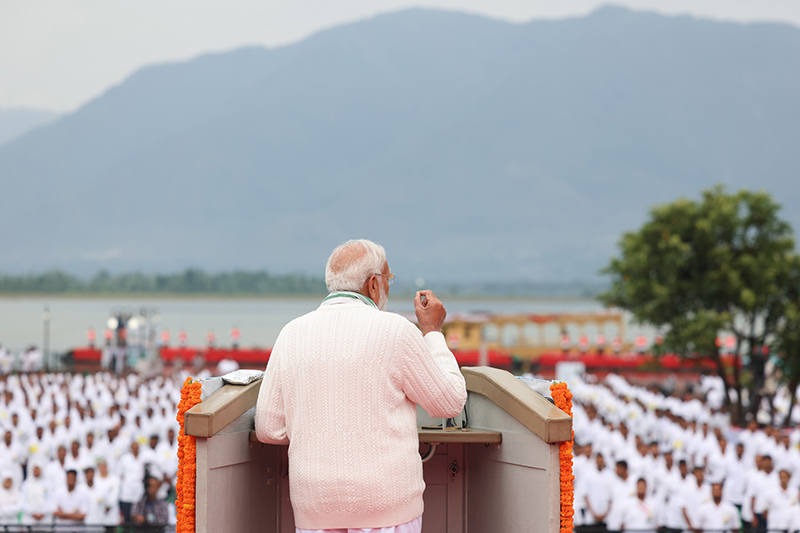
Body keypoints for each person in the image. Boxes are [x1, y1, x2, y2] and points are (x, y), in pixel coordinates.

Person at [255, 239, 467, 533]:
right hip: (387, 508)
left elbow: (269, 428)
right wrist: (432, 332)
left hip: (315, 508)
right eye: (388, 279)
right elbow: (450, 402)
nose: (388, 286)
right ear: (373, 284)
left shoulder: (291, 333)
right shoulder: (396, 330)